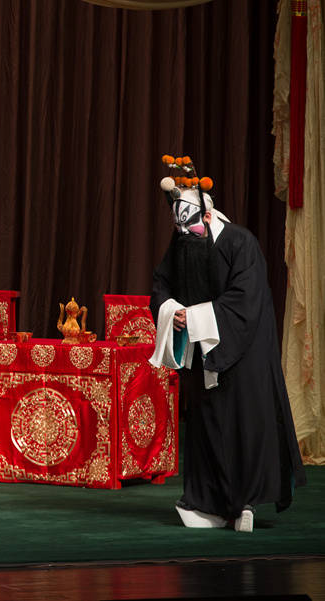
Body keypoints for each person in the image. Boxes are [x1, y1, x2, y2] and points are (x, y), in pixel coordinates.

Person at [149, 155, 306, 533]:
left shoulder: (241, 243)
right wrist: (173, 311)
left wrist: (199, 316)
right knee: (206, 426)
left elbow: (244, 299)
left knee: (242, 425)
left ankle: (244, 503)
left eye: (192, 228)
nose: (186, 236)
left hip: (243, 351)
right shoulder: (184, 242)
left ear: (207, 216)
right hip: (203, 351)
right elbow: (161, 284)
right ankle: (208, 504)